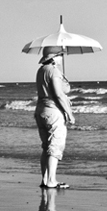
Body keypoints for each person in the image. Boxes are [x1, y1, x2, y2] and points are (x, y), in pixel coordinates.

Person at [35, 46, 75, 188]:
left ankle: (45, 179)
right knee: (55, 146)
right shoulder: (54, 71)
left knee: (46, 147)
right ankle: (51, 181)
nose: (62, 58)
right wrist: (69, 113)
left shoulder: (41, 70)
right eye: (60, 55)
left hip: (41, 110)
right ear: (54, 57)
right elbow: (58, 94)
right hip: (53, 112)